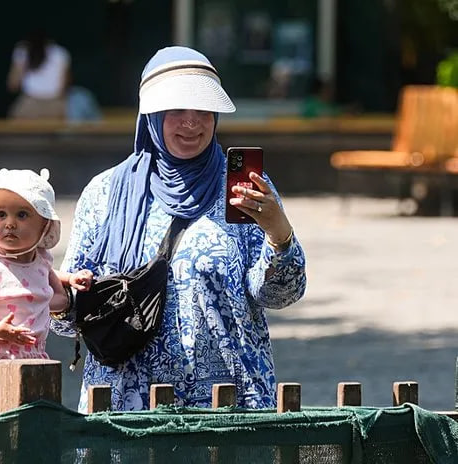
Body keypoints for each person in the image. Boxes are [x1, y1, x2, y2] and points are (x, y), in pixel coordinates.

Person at [51, 46, 306, 412]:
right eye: (176, 110)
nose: (191, 123)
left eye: (203, 110)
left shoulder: (243, 187)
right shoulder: (105, 193)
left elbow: (280, 296)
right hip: (126, 406)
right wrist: (60, 302)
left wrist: (279, 235)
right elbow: (70, 317)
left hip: (228, 404)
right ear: (151, 115)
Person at [0, 168, 92, 417]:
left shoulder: (42, 263)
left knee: (34, 426)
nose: (10, 223)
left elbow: (47, 281)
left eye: (22, 214)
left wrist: (70, 279)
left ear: (44, 227)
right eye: (1, 214)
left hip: (36, 361)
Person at [6, 29, 71, 119]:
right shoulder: (60, 52)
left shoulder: (23, 50)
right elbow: (64, 84)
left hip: (33, 102)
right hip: (52, 102)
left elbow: (13, 83)